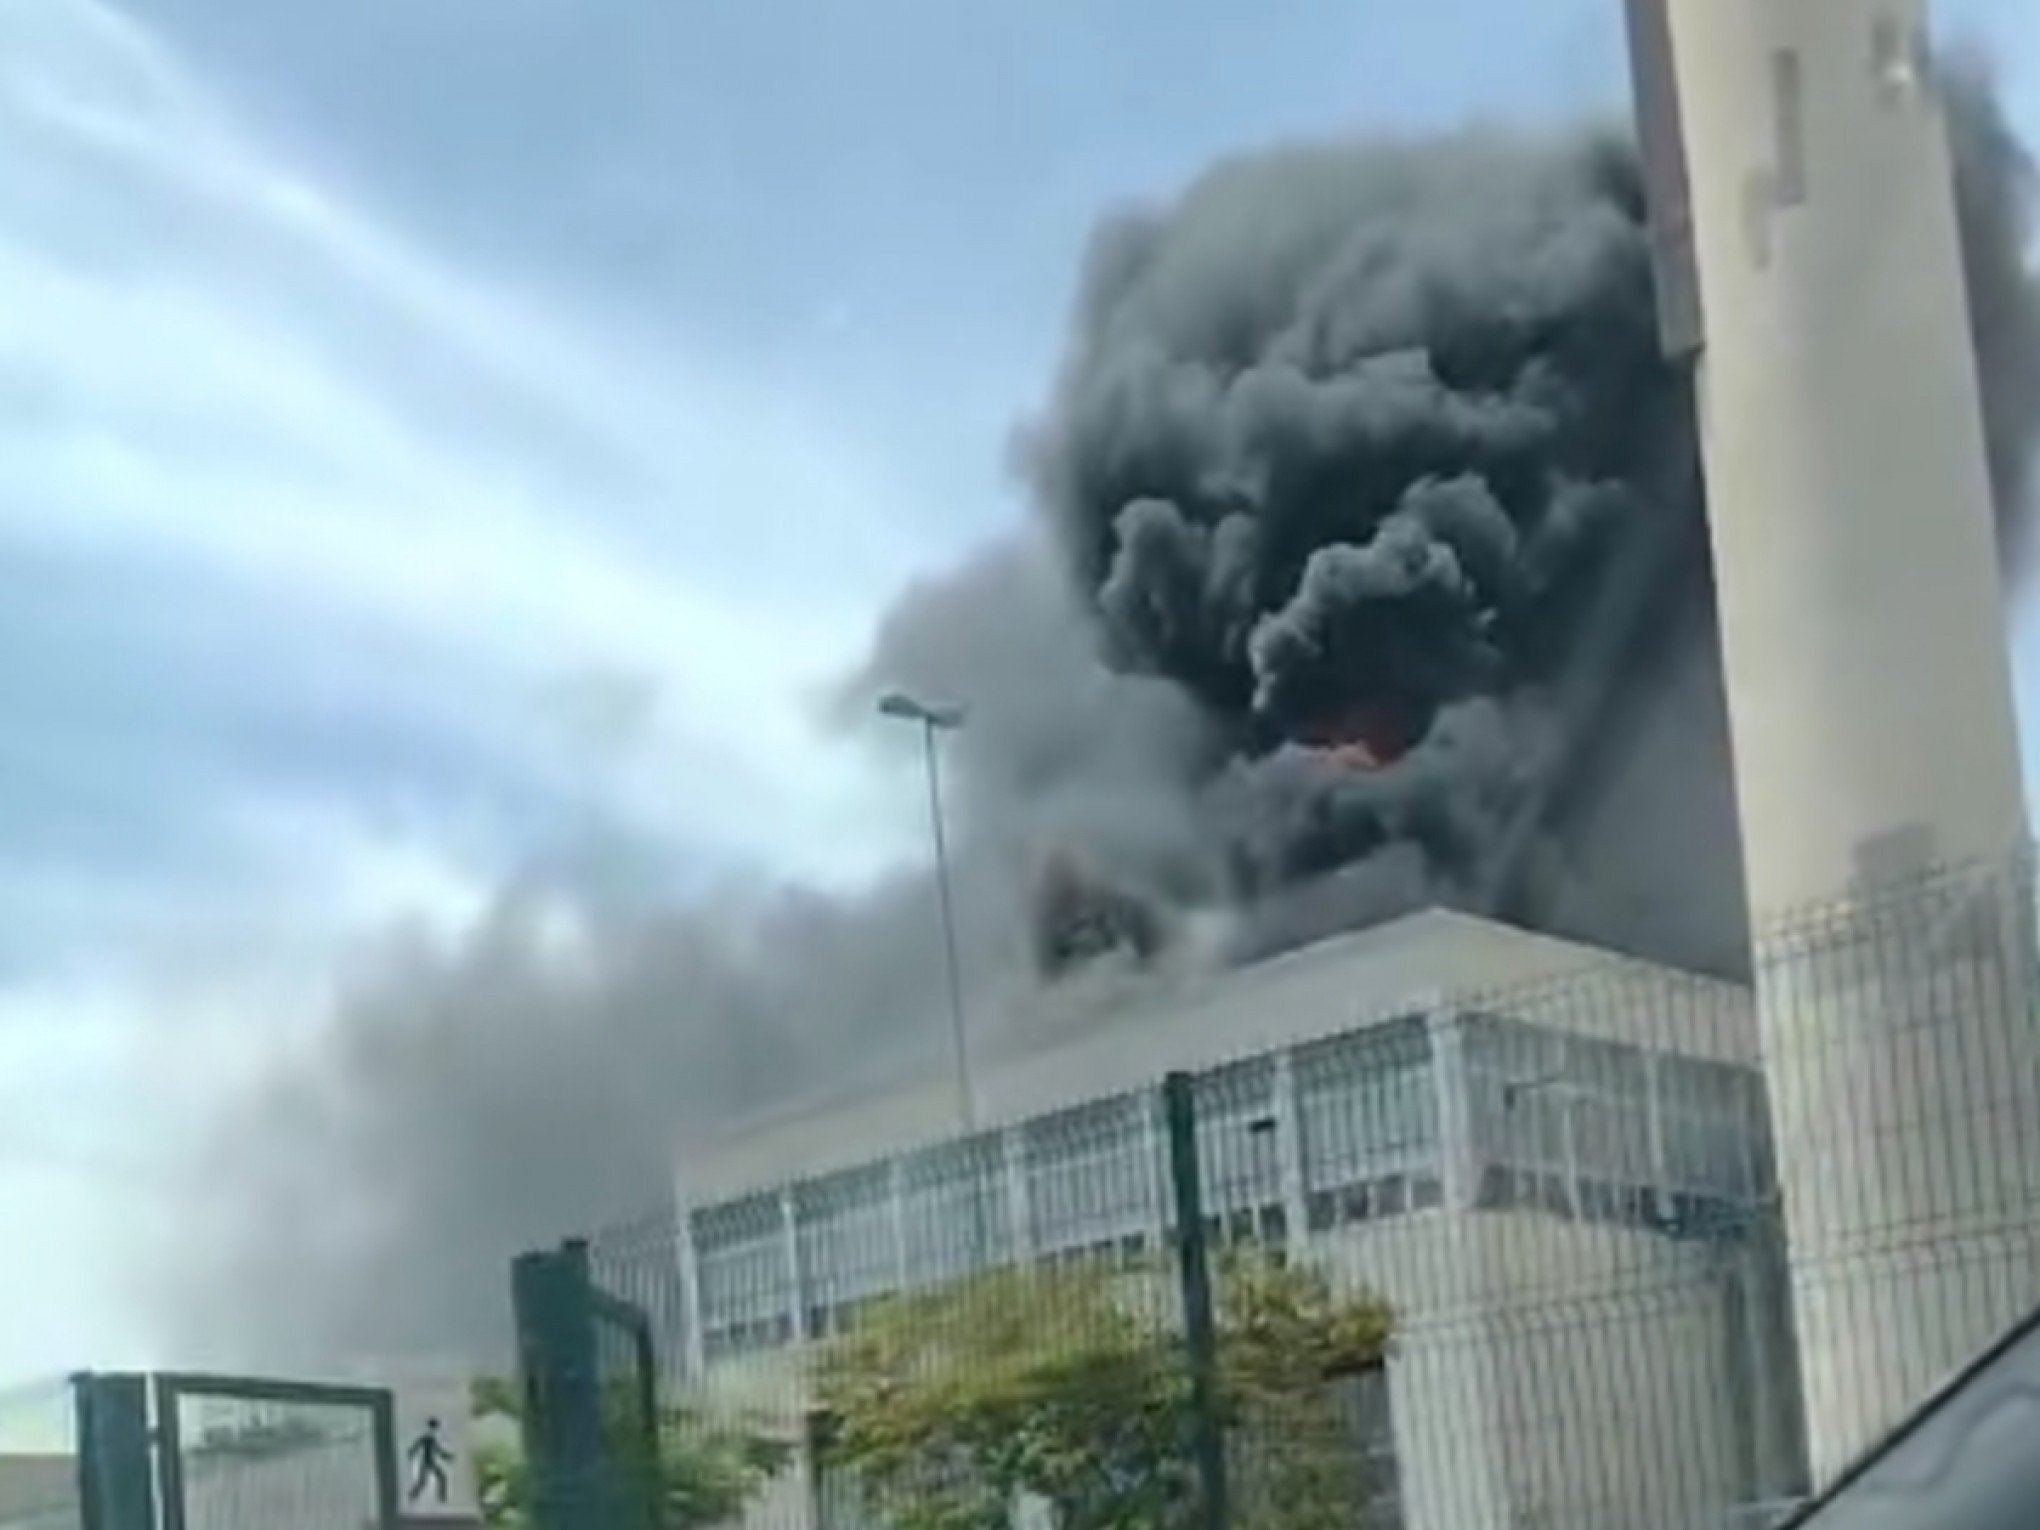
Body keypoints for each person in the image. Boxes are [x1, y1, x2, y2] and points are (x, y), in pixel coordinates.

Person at [407, 1418, 455, 1505]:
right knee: (424, 1482)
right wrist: (411, 1452)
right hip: (426, 1463)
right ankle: (412, 1496)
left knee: (441, 1478)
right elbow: (417, 1445)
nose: (436, 1430)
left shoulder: (431, 1439)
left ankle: (441, 1497)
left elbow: (438, 1451)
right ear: (432, 1427)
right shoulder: (427, 1438)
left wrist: (448, 1457)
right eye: (435, 1428)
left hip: (430, 1462)